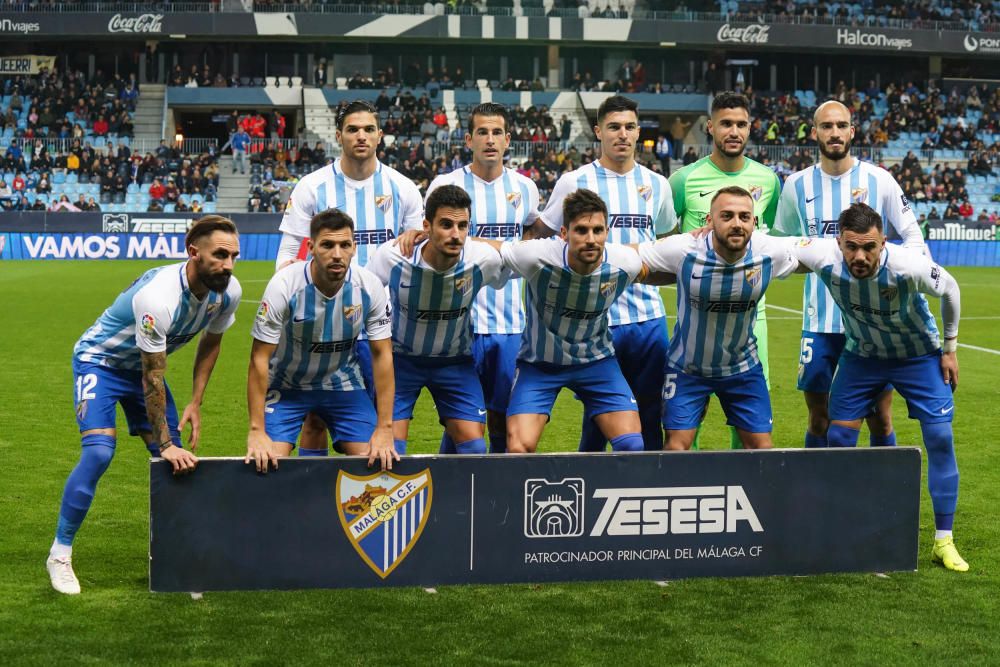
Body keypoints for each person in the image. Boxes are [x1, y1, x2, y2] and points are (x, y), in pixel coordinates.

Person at [48, 216, 242, 595]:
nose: (229, 265)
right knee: (101, 451)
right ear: (194, 253)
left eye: (234, 255)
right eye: (220, 255)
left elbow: (212, 342)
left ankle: (179, 559)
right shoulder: (159, 297)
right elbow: (153, 376)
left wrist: (196, 402)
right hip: (100, 362)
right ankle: (59, 553)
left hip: (142, 367)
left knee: (178, 464)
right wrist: (166, 442)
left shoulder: (227, 291)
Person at [791, 202, 967, 572]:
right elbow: (770, 247)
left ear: (883, 242)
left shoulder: (908, 266)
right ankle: (840, 527)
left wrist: (949, 349)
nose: (859, 256)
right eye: (851, 246)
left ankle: (943, 540)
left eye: (869, 247)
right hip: (863, 357)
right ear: (837, 242)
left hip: (918, 356)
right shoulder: (822, 256)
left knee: (939, 437)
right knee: (838, 439)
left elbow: (950, 289)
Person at [774, 100, 927, 449]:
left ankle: (880, 496)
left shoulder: (880, 180)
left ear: (852, 131)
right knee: (819, 417)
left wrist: (911, 277)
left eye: (841, 125)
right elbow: (782, 244)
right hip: (819, 323)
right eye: (826, 126)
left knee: (880, 417)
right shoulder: (796, 185)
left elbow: (913, 235)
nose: (834, 132)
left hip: (873, 324)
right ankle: (818, 495)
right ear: (814, 133)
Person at [277, 99, 423, 456]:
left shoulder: (403, 188)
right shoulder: (312, 187)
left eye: (369, 129)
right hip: (323, 324)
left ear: (380, 136)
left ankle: (367, 500)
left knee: (381, 419)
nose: (361, 136)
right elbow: (287, 254)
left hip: (383, 326)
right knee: (315, 419)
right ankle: (315, 498)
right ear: (339, 135)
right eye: (353, 129)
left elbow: (419, 255)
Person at [540, 95, 676, 452]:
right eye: (614, 127)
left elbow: (661, 242)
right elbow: (546, 236)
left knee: (650, 413)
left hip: (648, 319)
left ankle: (645, 492)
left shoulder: (657, 184)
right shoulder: (574, 182)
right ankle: (592, 493)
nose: (623, 134)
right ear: (598, 131)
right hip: (596, 321)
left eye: (630, 127)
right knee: (599, 416)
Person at [409, 103, 543, 454]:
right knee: (461, 420)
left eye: (497, 132)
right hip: (458, 325)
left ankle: (493, 492)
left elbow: (530, 240)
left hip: (511, 323)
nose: (490, 139)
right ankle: (453, 489)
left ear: (508, 139)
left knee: (500, 416)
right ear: (468, 139)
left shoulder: (525, 188)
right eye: (482, 132)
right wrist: (501, 245)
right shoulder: (446, 184)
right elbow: (434, 241)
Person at [484, 189, 647, 453]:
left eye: (598, 230)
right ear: (563, 233)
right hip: (540, 364)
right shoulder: (537, 256)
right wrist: (433, 238)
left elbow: (667, 258)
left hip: (597, 362)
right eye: (581, 230)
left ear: (607, 231)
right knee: (518, 448)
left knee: (632, 445)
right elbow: (496, 248)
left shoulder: (624, 262)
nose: (591, 239)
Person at [638, 186, 799, 450]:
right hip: (687, 369)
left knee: (763, 449)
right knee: (676, 447)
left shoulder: (771, 251)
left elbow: (812, 255)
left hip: (742, 369)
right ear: (709, 221)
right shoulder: (684, 249)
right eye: (727, 216)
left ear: (755, 222)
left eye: (744, 217)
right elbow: (633, 257)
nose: (737, 223)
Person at [669, 91, 781, 450]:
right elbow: (668, 243)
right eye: (726, 124)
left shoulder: (768, 181)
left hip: (751, 318)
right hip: (695, 320)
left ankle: (744, 498)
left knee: (748, 426)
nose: (734, 131)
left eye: (741, 124)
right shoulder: (683, 180)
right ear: (710, 127)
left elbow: (769, 239)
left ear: (750, 128)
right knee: (686, 426)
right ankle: (686, 496)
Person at [245, 209, 397, 472]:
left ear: (354, 247)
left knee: (372, 461)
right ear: (311, 247)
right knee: (269, 464)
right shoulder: (284, 286)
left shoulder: (369, 287)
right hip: (286, 386)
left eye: (344, 245)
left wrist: (385, 428)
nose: (337, 254)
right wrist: (256, 430)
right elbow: (259, 357)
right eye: (327, 245)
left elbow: (383, 355)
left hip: (344, 384)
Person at [368, 185, 507, 455]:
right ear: (426, 226)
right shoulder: (393, 256)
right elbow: (365, 296)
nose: (455, 235)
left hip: (455, 363)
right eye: (446, 225)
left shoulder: (483, 259)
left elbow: (523, 258)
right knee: (390, 450)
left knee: (475, 450)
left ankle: (452, 495)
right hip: (401, 363)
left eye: (462, 226)